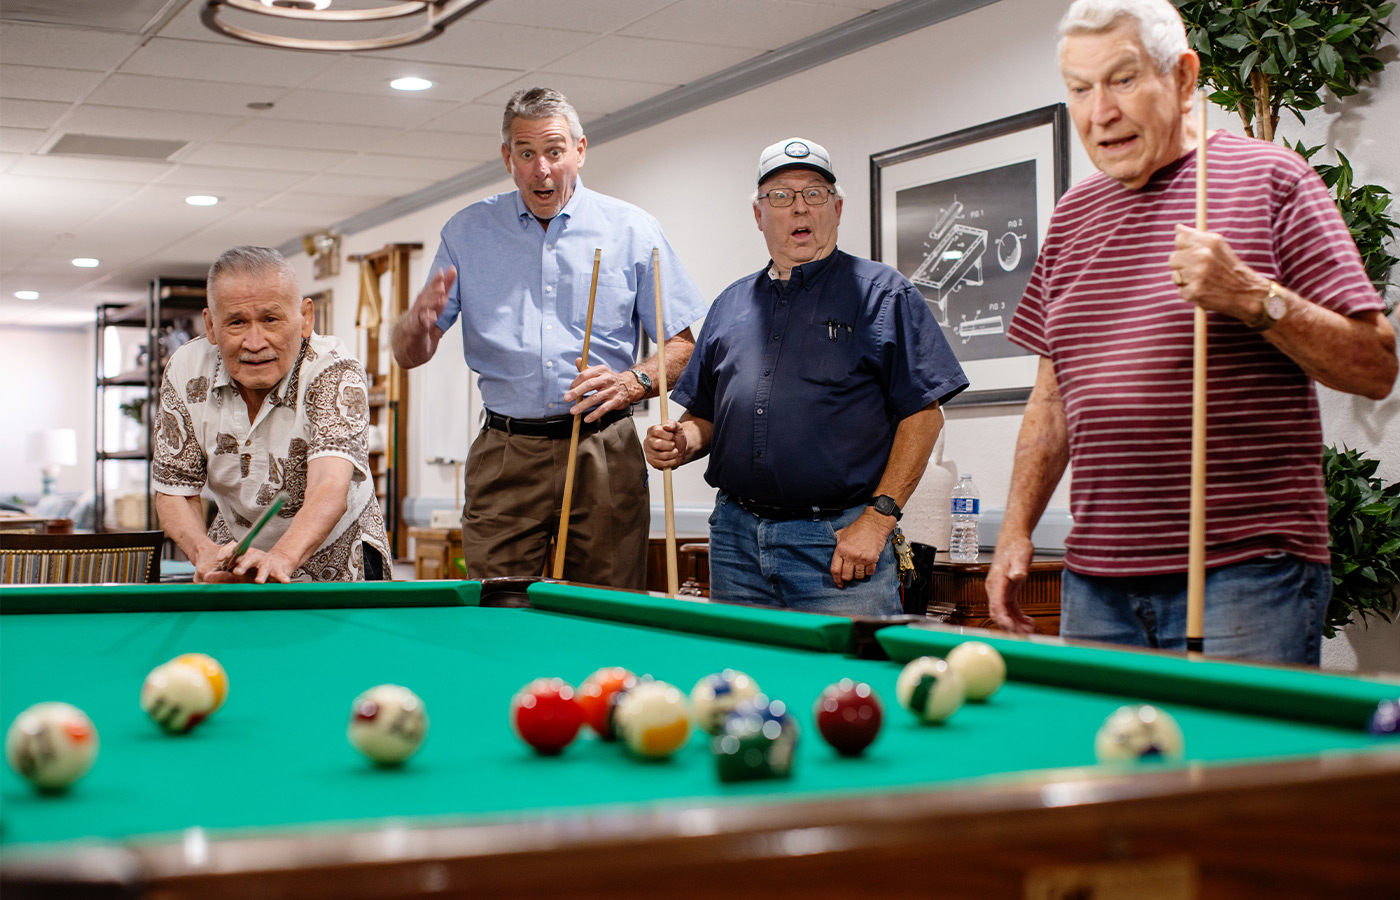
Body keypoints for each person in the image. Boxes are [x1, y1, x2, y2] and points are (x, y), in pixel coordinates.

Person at [986, 0, 1397, 663]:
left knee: (1234, 769)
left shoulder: (1272, 180)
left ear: (1181, 78)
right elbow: (1052, 401)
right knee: (1108, 766)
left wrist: (1253, 297)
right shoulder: (1071, 218)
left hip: (1245, 573)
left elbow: (1375, 366)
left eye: (1122, 80)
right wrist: (1014, 532)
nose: (1100, 112)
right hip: (1095, 580)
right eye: (1080, 90)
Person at [391, 87, 707, 589]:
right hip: (506, 448)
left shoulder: (632, 229)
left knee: (608, 609)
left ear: (579, 151)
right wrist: (411, 327)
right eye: (527, 153)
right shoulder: (467, 231)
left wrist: (631, 382)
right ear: (507, 158)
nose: (542, 169)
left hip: (604, 446)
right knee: (498, 609)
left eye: (555, 151)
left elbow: (685, 347)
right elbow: (411, 355)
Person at [645, 138, 969, 616]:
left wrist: (878, 521)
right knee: (740, 683)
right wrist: (682, 441)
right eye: (780, 196)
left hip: (838, 544)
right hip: (735, 541)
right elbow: (705, 417)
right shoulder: (729, 305)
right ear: (758, 214)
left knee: (849, 688)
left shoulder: (884, 295)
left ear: (836, 208)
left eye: (813, 194)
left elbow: (924, 417)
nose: (799, 208)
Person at [154, 246, 392, 583]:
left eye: (270, 319)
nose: (255, 342)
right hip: (236, 543)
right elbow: (174, 490)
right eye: (237, 322)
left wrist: (280, 558)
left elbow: (329, 486)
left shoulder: (335, 370)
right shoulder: (185, 369)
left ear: (305, 317)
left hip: (338, 550)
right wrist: (201, 550)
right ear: (210, 325)